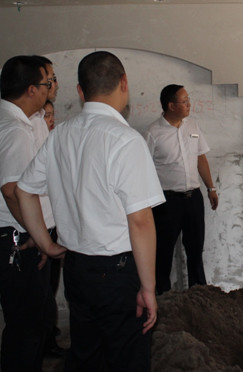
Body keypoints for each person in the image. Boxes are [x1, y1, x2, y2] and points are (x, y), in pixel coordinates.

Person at [16, 51, 164, 370]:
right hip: (118, 273)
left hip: (77, 269)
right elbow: (140, 221)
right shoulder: (126, 140)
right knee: (127, 360)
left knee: (87, 357)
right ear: (124, 83)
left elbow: (24, 190)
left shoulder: (60, 135)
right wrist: (149, 288)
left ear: (80, 91)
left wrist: (46, 244)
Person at [0, 55, 55, 371]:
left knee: (24, 324)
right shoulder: (13, 130)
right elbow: (13, 191)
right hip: (16, 240)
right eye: (46, 84)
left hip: (5, 238)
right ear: (31, 89)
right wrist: (41, 238)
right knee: (28, 328)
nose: (49, 89)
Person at [142, 84, 219, 294]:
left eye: (188, 100)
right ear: (171, 106)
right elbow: (143, 169)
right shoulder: (152, 133)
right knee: (163, 252)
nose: (189, 105)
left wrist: (211, 188)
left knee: (195, 249)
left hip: (193, 198)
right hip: (166, 202)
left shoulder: (192, 126)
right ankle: (162, 298)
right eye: (184, 101)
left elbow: (201, 158)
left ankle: (199, 294)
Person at [28, 56, 65, 358]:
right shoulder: (25, 127)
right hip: (36, 228)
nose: (54, 84)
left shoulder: (40, 125)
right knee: (34, 303)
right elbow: (20, 190)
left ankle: (47, 342)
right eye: (49, 78)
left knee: (47, 292)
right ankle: (41, 347)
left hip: (48, 225)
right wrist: (39, 236)